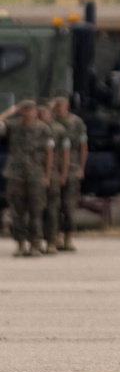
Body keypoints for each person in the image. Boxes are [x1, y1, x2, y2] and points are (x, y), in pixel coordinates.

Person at [1, 99, 54, 257]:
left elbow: (49, 153)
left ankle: (35, 244)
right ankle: (20, 243)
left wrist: (47, 175)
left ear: (35, 111)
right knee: (17, 212)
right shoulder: (13, 126)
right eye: (25, 109)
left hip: (35, 174)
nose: (29, 112)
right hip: (15, 175)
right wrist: (11, 111)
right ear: (21, 111)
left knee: (36, 211)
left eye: (31, 109)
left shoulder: (43, 129)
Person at [51, 95, 87, 251]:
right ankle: (56, 236)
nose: (59, 108)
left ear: (67, 105)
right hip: (53, 168)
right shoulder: (49, 122)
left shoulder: (76, 122)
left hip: (71, 167)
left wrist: (81, 167)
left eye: (61, 105)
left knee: (69, 204)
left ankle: (68, 237)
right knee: (54, 205)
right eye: (56, 105)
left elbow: (83, 146)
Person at [37, 100, 68, 254]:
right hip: (34, 174)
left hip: (53, 174)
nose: (45, 117)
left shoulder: (58, 130)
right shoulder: (32, 129)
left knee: (53, 208)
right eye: (41, 114)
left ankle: (52, 240)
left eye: (46, 113)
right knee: (36, 209)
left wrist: (63, 173)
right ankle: (36, 240)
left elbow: (65, 154)